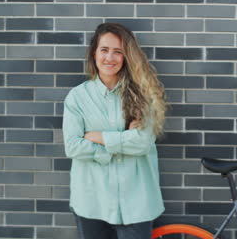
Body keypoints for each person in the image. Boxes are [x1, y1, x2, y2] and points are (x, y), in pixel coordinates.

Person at [62, 23, 167, 239]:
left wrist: (99, 138)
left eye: (118, 52)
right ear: (94, 53)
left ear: (126, 57)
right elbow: (73, 147)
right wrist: (121, 143)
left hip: (136, 201)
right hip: (92, 201)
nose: (110, 57)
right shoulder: (77, 98)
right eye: (104, 50)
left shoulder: (142, 95)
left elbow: (142, 143)